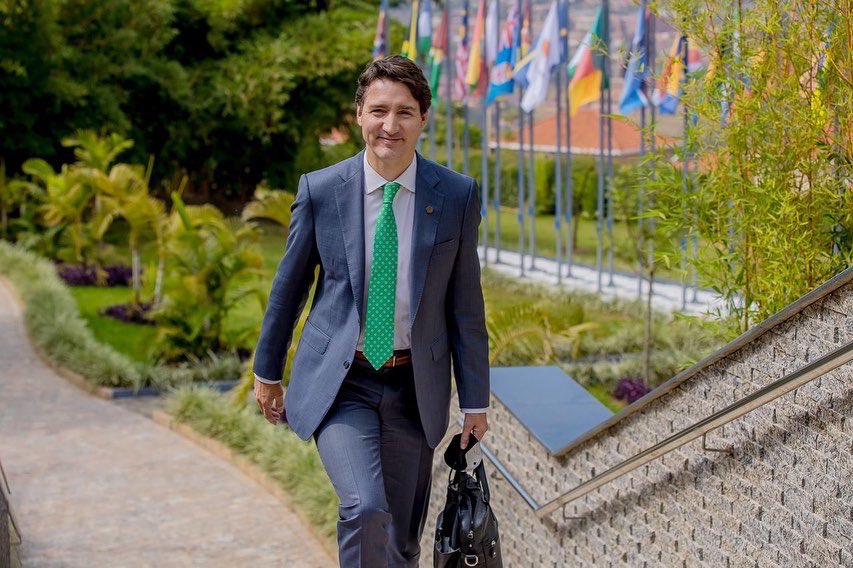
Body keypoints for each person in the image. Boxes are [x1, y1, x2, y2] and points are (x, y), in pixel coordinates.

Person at [252, 55, 490, 567]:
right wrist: (267, 371)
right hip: (344, 384)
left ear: (423, 119)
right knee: (364, 508)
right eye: (378, 110)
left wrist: (476, 401)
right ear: (359, 114)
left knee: (402, 542)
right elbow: (288, 290)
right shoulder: (321, 191)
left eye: (405, 112)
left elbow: (466, 307)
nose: (390, 125)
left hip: (413, 388)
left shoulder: (455, 196)